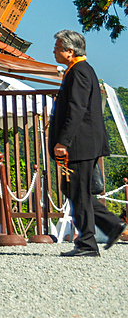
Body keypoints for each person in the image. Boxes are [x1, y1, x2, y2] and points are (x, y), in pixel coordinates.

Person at [50, 29, 126, 256]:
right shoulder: (79, 70)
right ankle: (111, 226)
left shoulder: (80, 72)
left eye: (57, 48)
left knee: (79, 192)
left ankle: (87, 243)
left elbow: (77, 108)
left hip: (80, 142)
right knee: (74, 190)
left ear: (70, 52)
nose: (53, 51)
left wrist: (63, 141)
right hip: (82, 141)